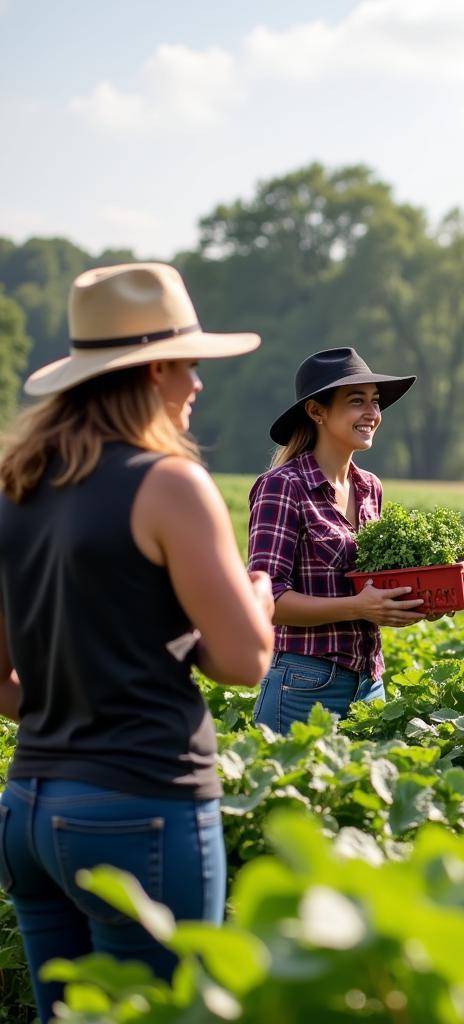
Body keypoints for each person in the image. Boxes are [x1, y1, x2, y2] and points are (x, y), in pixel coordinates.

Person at [0, 262, 275, 1019]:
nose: (198, 385)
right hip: (141, 809)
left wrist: (73, 716)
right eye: (190, 366)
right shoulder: (169, 486)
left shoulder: (15, 485)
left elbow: (0, 679)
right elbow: (245, 662)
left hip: (28, 810)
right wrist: (257, 596)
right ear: (154, 370)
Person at [249, 347, 427, 733]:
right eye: (356, 401)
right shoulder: (282, 487)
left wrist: (410, 603)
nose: (372, 414)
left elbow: (372, 587)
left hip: (369, 684)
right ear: (317, 412)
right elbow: (267, 600)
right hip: (304, 684)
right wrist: (358, 608)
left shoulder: (369, 488)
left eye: (375, 402)